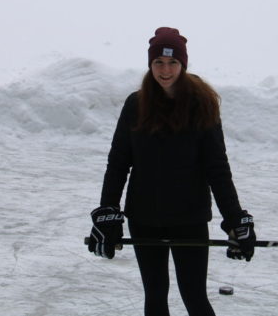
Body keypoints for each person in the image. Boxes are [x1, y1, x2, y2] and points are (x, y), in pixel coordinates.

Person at [88, 27, 256, 316]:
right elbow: (118, 163)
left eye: (172, 63)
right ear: (150, 64)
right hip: (144, 217)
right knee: (154, 295)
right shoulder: (135, 104)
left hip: (188, 218)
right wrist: (108, 209)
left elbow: (217, 167)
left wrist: (234, 217)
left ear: (183, 64)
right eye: (158, 63)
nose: (165, 70)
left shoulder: (201, 104)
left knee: (194, 295)